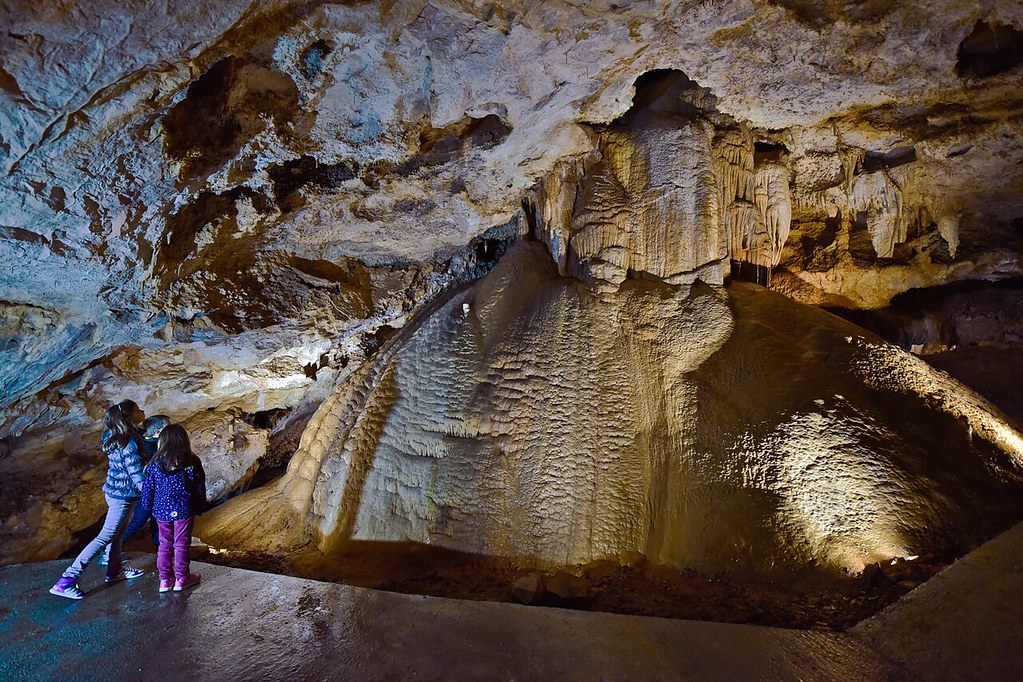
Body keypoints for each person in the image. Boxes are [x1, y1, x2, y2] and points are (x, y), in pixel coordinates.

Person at [49, 401, 147, 599]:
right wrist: (150, 492)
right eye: (138, 410)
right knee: (105, 536)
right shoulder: (128, 442)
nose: (142, 412)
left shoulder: (112, 436)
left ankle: (114, 571)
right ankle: (66, 580)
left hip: (114, 491)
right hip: (123, 495)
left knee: (117, 534)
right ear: (128, 417)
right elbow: (135, 472)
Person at [139, 424, 206, 592]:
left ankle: (165, 580)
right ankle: (182, 578)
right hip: (184, 509)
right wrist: (200, 506)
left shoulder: (155, 465)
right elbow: (199, 486)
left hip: (161, 510)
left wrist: (147, 506)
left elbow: (148, 488)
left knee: (164, 544)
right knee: (182, 544)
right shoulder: (191, 461)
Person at [99, 415, 170, 567]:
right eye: (167, 427)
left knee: (156, 520)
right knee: (138, 521)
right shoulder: (147, 447)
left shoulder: (149, 443)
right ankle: (108, 551)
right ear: (158, 431)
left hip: (151, 490)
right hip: (147, 491)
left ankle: (161, 550)